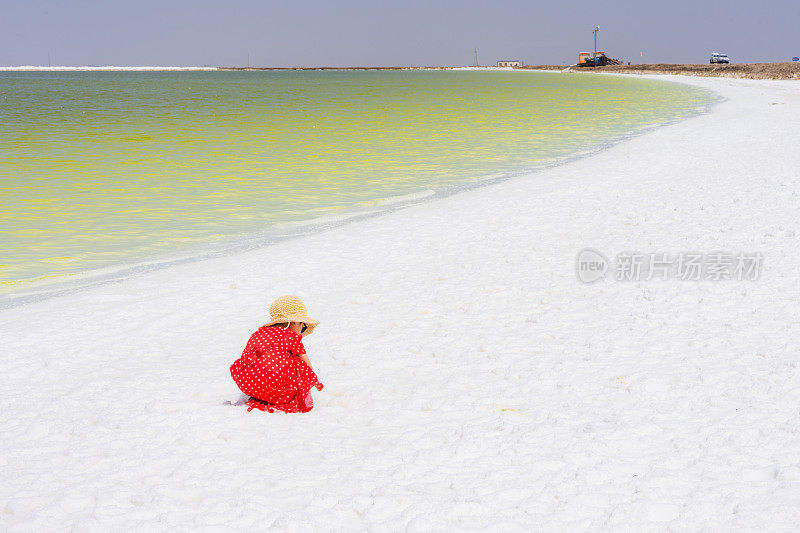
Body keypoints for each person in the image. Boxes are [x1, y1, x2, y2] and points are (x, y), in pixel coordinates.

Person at [230, 295, 322, 413]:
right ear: (296, 321)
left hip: (251, 385)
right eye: (303, 326)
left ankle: (262, 394)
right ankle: (278, 394)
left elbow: (246, 356)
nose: (301, 330)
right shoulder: (291, 336)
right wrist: (312, 381)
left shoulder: (258, 334)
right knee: (297, 361)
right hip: (280, 389)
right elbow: (305, 361)